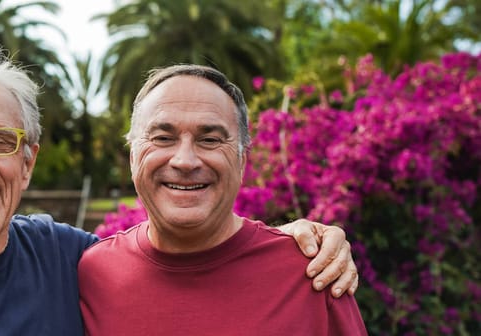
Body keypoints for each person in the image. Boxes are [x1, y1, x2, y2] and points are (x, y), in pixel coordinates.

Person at [0, 38, 358, 336]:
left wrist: (302, 239)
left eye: (0, 139)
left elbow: (184, 255)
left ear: (28, 161)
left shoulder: (67, 257)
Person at [78, 64, 368, 335]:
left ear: (242, 162)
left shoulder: (314, 273)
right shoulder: (93, 272)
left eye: (210, 140)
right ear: (133, 159)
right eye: (163, 138)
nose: (185, 161)